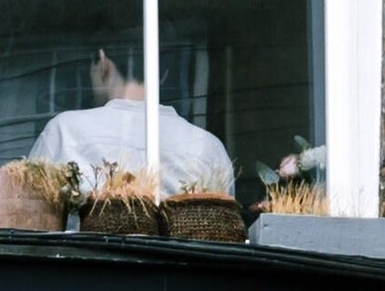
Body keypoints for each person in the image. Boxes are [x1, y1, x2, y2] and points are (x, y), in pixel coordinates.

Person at [31, 50, 234, 199]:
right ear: (162, 75)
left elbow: (29, 223)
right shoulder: (208, 148)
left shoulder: (63, 131)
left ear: (103, 63)